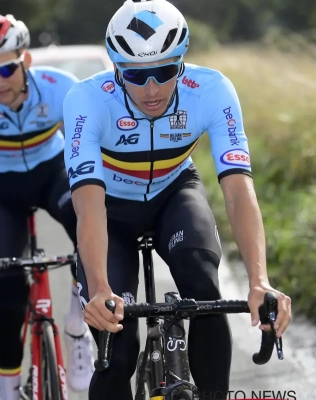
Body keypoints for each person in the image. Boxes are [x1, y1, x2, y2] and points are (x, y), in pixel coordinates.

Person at [62, 1, 293, 399]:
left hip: (174, 192)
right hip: (110, 209)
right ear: (115, 66)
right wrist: (99, 288)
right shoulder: (86, 99)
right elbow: (88, 202)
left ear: (182, 62)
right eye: (136, 75)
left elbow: (238, 190)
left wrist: (259, 281)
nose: (151, 89)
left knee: (204, 287)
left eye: (166, 72)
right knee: (117, 339)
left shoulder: (212, 90)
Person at [0, 14, 95, 398]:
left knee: (86, 225)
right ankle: (8, 390)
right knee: (7, 292)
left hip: (51, 173)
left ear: (26, 60)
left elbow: (88, 161)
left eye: (6, 70)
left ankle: (78, 321)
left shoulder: (60, 86)